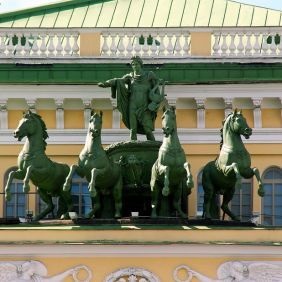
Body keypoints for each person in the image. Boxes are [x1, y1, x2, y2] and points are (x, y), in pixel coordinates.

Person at [98, 56, 164, 141]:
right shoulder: (130, 77)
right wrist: (106, 83)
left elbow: (157, 93)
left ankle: (154, 151)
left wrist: (154, 104)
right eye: (133, 64)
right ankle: (133, 148)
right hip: (132, 106)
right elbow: (118, 80)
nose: (135, 66)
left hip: (145, 107)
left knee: (148, 130)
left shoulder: (149, 75)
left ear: (140, 65)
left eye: (136, 64)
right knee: (133, 130)